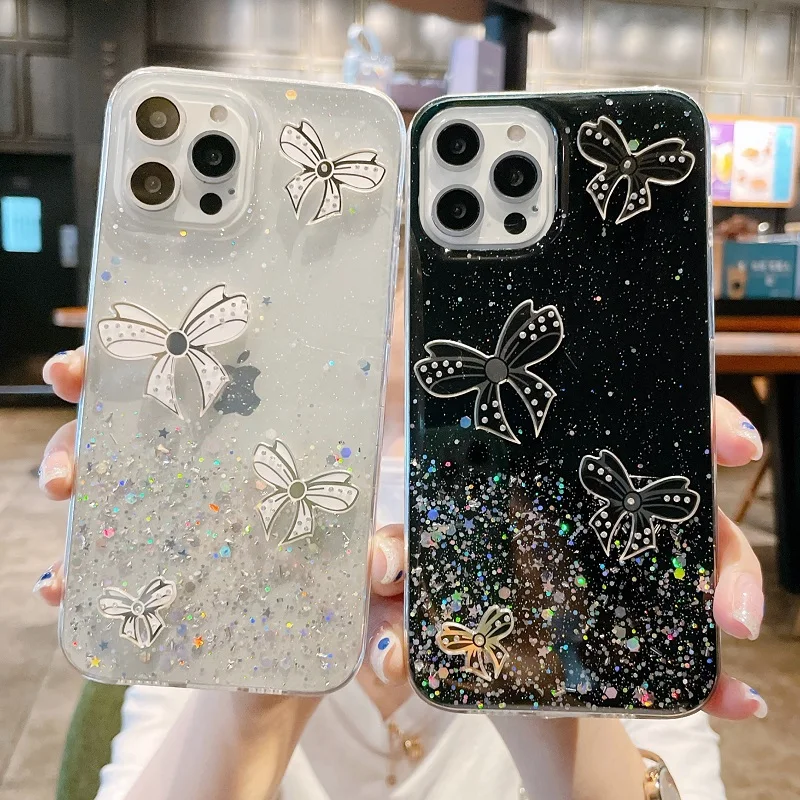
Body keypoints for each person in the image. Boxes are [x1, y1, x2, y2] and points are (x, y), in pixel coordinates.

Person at [35, 279, 765, 800]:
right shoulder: (222, 570)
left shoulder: (584, 574)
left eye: (450, 434)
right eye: (361, 432)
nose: (399, 488)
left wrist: (542, 677)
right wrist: (262, 674)